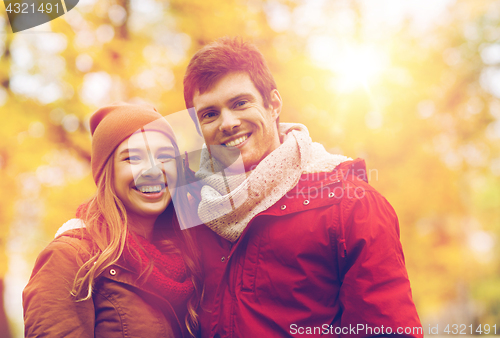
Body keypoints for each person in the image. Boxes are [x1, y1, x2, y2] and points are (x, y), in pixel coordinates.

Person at [183, 37, 423, 337]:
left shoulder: (350, 204)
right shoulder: (192, 207)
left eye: (240, 103)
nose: (227, 123)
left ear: (273, 105)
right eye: (209, 114)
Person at [23, 102, 201, 337]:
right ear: (108, 172)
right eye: (132, 158)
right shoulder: (71, 258)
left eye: (165, 156)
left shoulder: (189, 257)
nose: (153, 170)